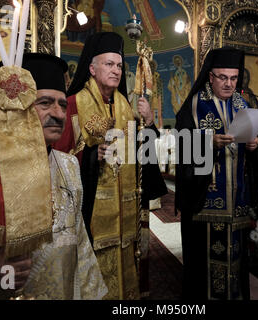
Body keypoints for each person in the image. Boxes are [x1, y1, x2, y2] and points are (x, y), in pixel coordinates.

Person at [0, 53, 107, 300]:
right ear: (16, 107)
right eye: (45, 103)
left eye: (62, 104)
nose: (59, 114)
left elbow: (80, 245)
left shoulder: (68, 165)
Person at [54, 32, 167, 299]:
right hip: (91, 217)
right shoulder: (73, 105)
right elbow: (57, 160)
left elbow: (144, 156)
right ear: (92, 68)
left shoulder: (127, 107)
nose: (116, 70)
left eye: (119, 65)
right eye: (108, 64)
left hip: (126, 216)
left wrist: (149, 123)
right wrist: (92, 156)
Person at [175, 47, 258, 300]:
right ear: (211, 77)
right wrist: (207, 144)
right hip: (204, 205)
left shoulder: (242, 104)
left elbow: (257, 142)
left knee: (235, 265)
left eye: (234, 78)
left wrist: (255, 145)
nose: (229, 84)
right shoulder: (194, 107)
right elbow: (180, 148)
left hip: (236, 203)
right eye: (223, 78)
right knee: (203, 270)